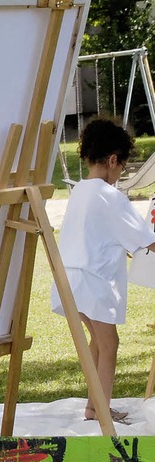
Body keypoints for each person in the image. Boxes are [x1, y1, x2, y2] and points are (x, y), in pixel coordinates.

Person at [51, 118, 155, 424]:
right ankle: (100, 409)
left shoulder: (81, 190)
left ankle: (94, 406)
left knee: (98, 342)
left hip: (72, 279)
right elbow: (148, 241)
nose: (121, 172)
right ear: (112, 160)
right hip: (92, 281)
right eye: (122, 165)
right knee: (109, 344)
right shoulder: (111, 197)